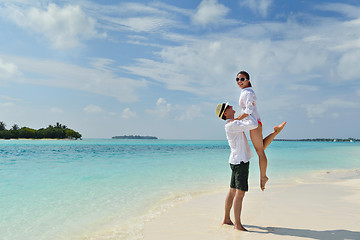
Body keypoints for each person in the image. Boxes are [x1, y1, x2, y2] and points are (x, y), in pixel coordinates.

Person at [215, 102, 285, 231]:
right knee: (240, 194)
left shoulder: (232, 124)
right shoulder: (232, 125)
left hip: (236, 161)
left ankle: (227, 219)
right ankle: (237, 224)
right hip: (240, 162)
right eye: (229, 107)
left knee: (232, 191)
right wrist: (250, 108)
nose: (231, 107)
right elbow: (253, 124)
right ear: (225, 113)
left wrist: (244, 114)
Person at [235, 70, 286, 191]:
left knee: (260, 152)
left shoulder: (248, 92)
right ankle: (276, 132)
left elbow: (248, 110)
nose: (239, 82)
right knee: (260, 148)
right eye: (237, 79)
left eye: (242, 79)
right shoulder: (246, 92)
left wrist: (237, 119)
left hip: (254, 124)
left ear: (247, 80)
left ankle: (263, 177)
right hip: (255, 123)